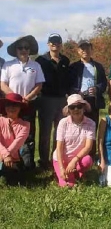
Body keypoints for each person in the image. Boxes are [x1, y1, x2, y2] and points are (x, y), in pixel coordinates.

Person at [0, 35, 45, 169]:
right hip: (11, 104)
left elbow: (39, 85)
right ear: (16, 50)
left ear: (30, 50)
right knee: (7, 133)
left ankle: (27, 164)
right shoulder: (8, 65)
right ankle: (7, 161)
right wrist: (15, 97)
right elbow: (2, 84)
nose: (23, 50)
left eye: (26, 47)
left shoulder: (36, 65)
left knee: (28, 135)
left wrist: (28, 97)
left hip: (29, 104)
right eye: (20, 47)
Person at [35, 33, 70, 169]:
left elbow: (68, 80)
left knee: (60, 132)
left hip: (62, 100)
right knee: (45, 132)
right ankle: (44, 161)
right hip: (46, 99)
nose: (55, 44)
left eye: (58, 41)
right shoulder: (40, 60)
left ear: (61, 44)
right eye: (52, 41)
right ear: (48, 44)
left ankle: (56, 159)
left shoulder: (65, 61)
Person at [69, 39, 107, 158]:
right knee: (78, 127)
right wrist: (77, 92)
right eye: (82, 49)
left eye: (87, 48)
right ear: (79, 51)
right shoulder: (74, 67)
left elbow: (103, 83)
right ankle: (78, 153)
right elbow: (68, 84)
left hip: (93, 101)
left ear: (91, 49)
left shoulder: (98, 66)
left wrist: (97, 88)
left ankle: (91, 154)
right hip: (78, 102)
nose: (85, 51)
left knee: (92, 127)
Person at [52, 94, 95, 187]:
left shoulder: (91, 123)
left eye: (79, 106)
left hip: (77, 158)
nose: (76, 109)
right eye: (72, 107)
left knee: (88, 160)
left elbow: (88, 147)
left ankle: (76, 172)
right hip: (62, 159)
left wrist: (74, 160)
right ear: (69, 110)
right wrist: (61, 167)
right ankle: (64, 173)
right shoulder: (63, 122)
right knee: (68, 185)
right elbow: (59, 147)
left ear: (84, 108)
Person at [0, 93, 29, 184]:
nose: (11, 108)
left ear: (20, 108)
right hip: (4, 156)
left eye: (15, 105)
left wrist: (7, 157)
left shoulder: (25, 125)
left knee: (13, 180)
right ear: (5, 107)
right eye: (8, 105)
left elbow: (17, 143)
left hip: (13, 158)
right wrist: (5, 155)